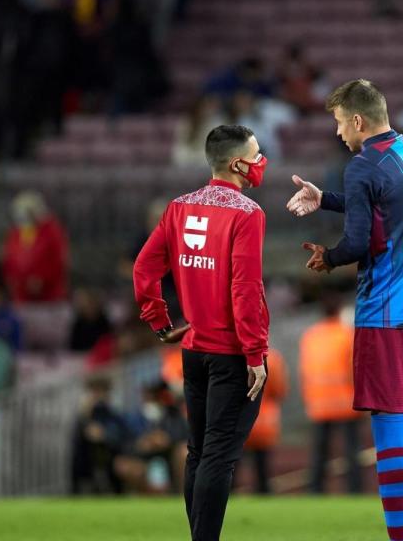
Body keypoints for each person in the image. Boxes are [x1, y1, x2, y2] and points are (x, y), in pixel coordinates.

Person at [288, 80, 403, 541]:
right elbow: (389, 205)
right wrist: (327, 199)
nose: (340, 133)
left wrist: (329, 257)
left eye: (340, 123)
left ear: (358, 121)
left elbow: (359, 242)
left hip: (385, 314)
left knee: (388, 433)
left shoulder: (362, 165)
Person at [133, 124, 270, 541]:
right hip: (232, 353)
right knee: (218, 457)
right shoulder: (248, 214)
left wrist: (160, 323)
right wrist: (255, 354)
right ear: (236, 163)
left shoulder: (179, 207)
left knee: (197, 453)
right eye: (256, 154)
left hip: (192, 352)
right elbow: (245, 288)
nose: (261, 161)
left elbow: (144, 270)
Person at [301, 296, 362, 494]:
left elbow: (305, 370)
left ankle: (315, 491)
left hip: (318, 402)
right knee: (351, 451)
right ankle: (354, 490)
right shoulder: (347, 334)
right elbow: (356, 369)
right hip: (345, 401)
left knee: (319, 453)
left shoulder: (310, 336)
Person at [2, 191, 69, 302]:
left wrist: (42, 278)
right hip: (21, 294)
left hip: (49, 294)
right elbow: (9, 259)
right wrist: (11, 279)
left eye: (28, 212)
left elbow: (57, 260)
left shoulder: (51, 231)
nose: (24, 216)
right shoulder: (16, 233)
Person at [241, 347, 289, 494]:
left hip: (238, 417)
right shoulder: (273, 358)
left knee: (230, 464)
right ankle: (263, 494)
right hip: (264, 418)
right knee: (262, 467)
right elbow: (280, 389)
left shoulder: (231, 357)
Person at [71, 375, 129, 495]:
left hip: (111, 456)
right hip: (88, 460)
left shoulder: (113, 415)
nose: (97, 395)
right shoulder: (84, 416)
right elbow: (81, 435)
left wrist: (104, 434)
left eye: (101, 391)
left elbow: (120, 437)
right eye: (94, 391)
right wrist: (86, 414)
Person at [69, 288, 113, 354]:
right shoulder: (79, 323)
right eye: (88, 304)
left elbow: (109, 341)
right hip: (81, 356)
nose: (90, 307)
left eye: (92, 304)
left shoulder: (103, 321)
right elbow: (74, 346)